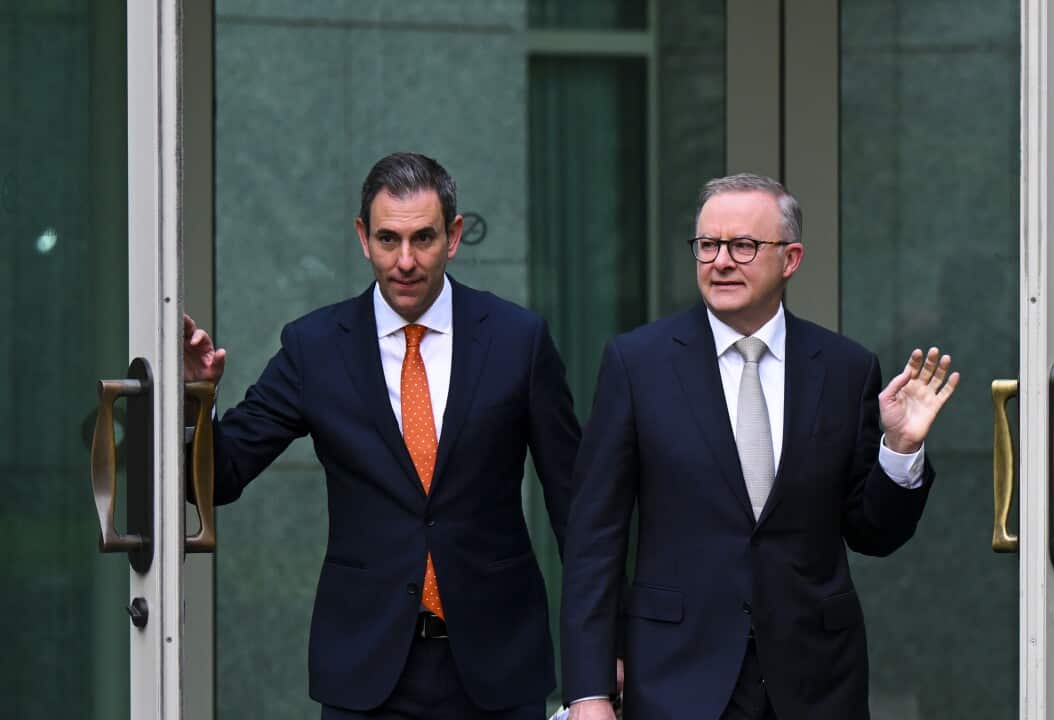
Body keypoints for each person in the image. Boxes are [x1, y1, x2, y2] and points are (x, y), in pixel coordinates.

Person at [183, 153, 580, 719]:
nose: (406, 261)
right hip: (366, 670)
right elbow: (220, 476)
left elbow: (576, 507)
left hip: (498, 663)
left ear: (455, 235)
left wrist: (601, 653)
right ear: (362, 238)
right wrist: (196, 398)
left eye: (424, 238)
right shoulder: (314, 347)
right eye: (389, 239)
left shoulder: (519, 340)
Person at [559, 174, 959, 720]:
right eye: (708, 245)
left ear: (790, 259)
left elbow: (874, 532)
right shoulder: (638, 364)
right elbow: (594, 539)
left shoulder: (844, 369)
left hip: (815, 680)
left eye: (743, 245)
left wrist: (899, 447)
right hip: (678, 675)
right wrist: (589, 689)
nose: (721, 261)